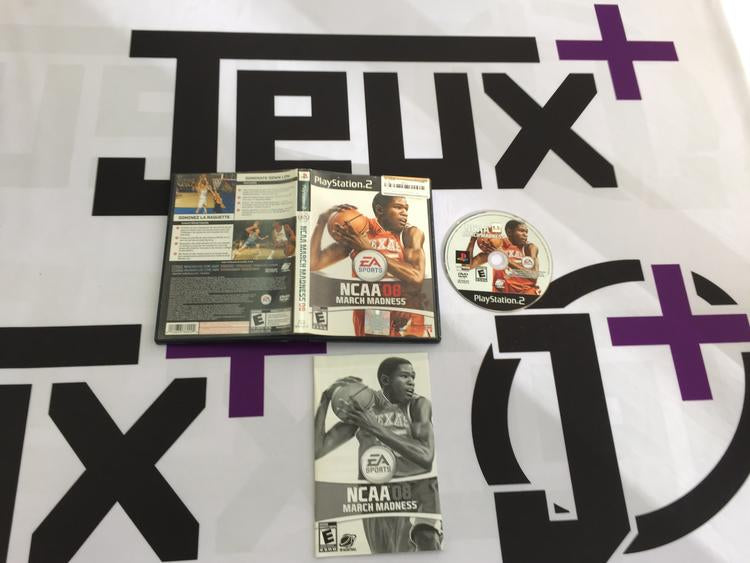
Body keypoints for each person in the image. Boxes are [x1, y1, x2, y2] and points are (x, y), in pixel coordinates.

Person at [314, 357, 442, 553]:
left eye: (413, 377)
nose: (411, 382)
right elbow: (318, 448)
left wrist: (375, 427)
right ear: (385, 380)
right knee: (386, 554)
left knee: (426, 539)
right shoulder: (364, 405)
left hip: (417, 489)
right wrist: (324, 400)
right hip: (377, 495)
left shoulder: (418, 405)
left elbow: (426, 457)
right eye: (405, 376)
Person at [310, 194, 429, 337]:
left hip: (406, 312)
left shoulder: (410, 233)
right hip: (375, 311)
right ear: (380, 210)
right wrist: (321, 221)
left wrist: (369, 250)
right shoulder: (360, 230)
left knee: (409, 348)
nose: (404, 213)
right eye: (398, 207)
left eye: (406, 208)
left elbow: (416, 276)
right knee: (375, 347)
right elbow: (313, 263)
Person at [466, 220, 540, 295]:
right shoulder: (497, 245)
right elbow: (466, 266)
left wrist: (506, 260)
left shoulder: (530, 247)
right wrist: (472, 241)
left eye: (526, 232)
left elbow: (534, 275)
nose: (525, 235)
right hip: (502, 297)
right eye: (521, 231)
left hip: (526, 294)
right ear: (509, 232)